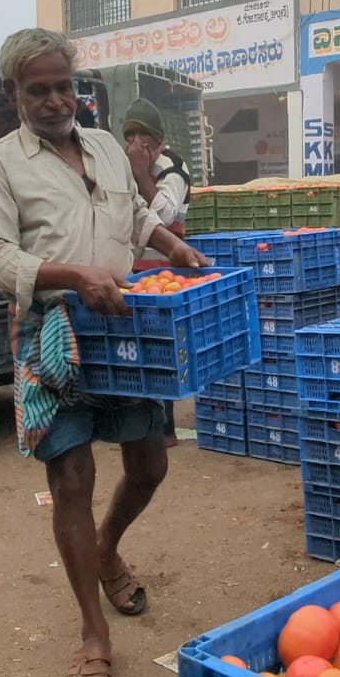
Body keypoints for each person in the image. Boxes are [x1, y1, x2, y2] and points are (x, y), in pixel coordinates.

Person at [0, 27, 210, 677]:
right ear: (12, 93)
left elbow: (133, 215)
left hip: (127, 328)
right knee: (71, 477)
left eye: (62, 86)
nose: (53, 100)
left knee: (150, 465)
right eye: (37, 89)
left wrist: (168, 243)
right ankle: (93, 635)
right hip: (55, 332)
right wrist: (73, 274)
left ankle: (106, 550)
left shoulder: (103, 144)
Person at [122, 97, 192, 446]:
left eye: (143, 140)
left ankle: (165, 429)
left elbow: (162, 215)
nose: (136, 147)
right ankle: (145, 425)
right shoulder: (122, 165)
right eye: (131, 139)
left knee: (162, 345)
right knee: (140, 347)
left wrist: (140, 174)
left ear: (158, 141)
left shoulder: (173, 168)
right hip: (135, 274)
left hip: (166, 273)